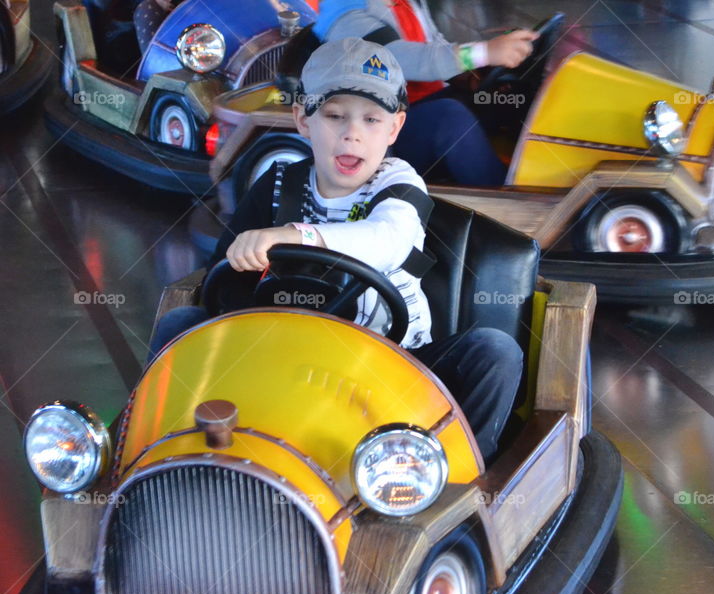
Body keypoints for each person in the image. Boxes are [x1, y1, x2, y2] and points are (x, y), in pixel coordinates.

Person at [150, 38, 523, 462]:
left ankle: (454, 479)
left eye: (371, 119)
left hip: (396, 365)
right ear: (303, 121)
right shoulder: (276, 186)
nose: (352, 134)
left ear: (395, 128)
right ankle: (156, 453)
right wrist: (246, 293)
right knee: (181, 323)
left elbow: (389, 239)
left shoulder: (398, 186)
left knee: (495, 352)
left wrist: (292, 236)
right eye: (334, 116)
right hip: (286, 357)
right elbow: (223, 280)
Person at [308, 0, 540, 186]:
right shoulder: (347, 10)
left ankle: (533, 179)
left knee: (505, 99)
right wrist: (482, 53)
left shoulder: (406, 4)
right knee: (450, 117)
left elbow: (434, 46)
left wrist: (471, 76)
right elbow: (396, 58)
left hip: (419, 104)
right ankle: (506, 204)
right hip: (380, 126)